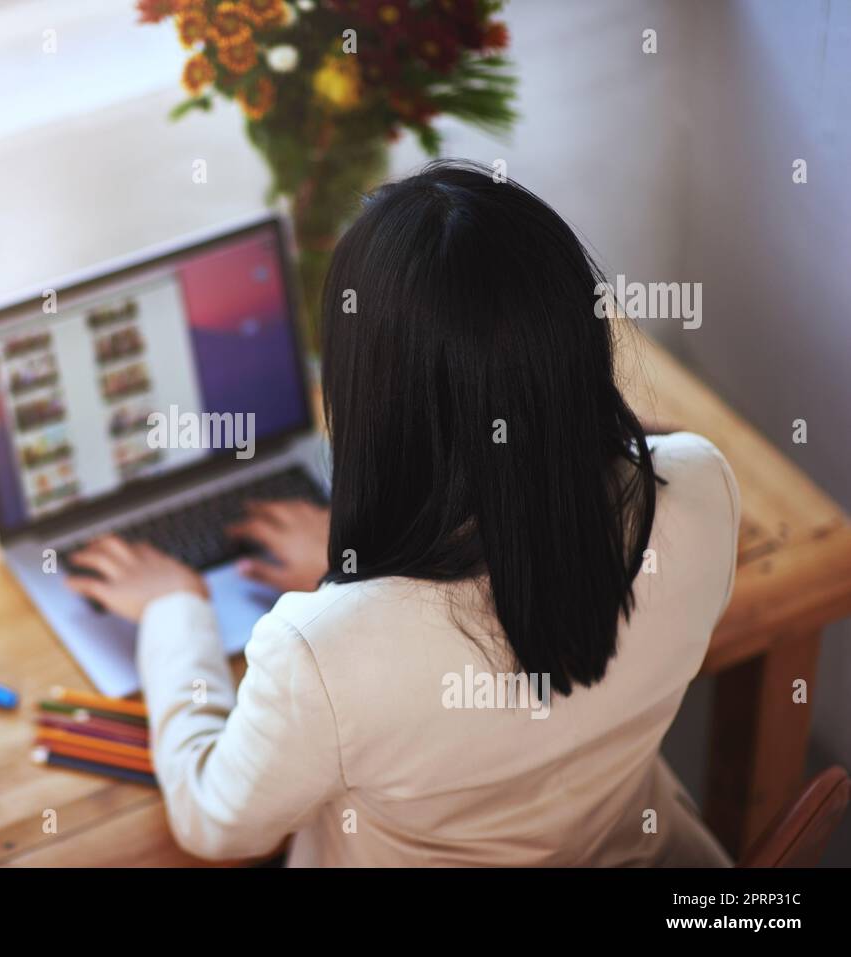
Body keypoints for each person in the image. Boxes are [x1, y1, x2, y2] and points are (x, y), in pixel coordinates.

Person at [64, 160, 738, 866]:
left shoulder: (322, 654)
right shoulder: (701, 490)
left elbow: (215, 822)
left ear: (369, 399)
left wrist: (177, 610)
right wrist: (362, 566)